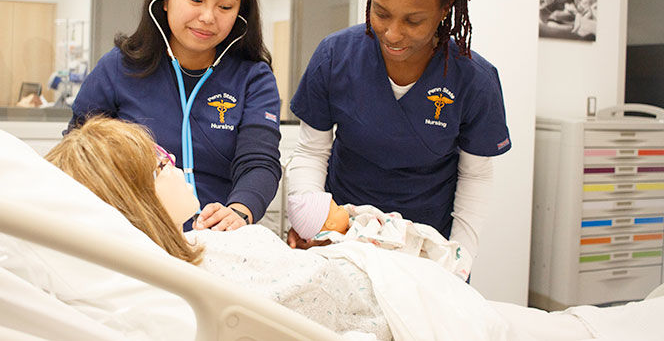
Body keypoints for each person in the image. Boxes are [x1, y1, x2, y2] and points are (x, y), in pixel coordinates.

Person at [45, 116, 660, 341]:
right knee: (590, 327)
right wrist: (356, 233)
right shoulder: (206, 268)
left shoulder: (199, 253)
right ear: (133, 199)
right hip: (417, 307)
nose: (172, 159)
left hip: (414, 283)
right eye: (159, 161)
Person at [286, 0, 511, 263]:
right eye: (381, 12)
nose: (392, 33)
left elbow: (475, 176)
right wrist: (310, 217)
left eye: (413, 21)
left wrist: (460, 258)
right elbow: (311, 150)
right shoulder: (336, 57)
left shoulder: (473, 79)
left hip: (424, 247)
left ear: (444, 10)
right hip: (341, 239)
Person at [68, 0, 281, 231]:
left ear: (240, 13)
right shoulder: (118, 68)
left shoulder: (252, 78)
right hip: (131, 235)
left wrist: (239, 211)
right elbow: (77, 152)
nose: (208, 17)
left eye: (226, 7)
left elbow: (259, 162)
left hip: (218, 238)